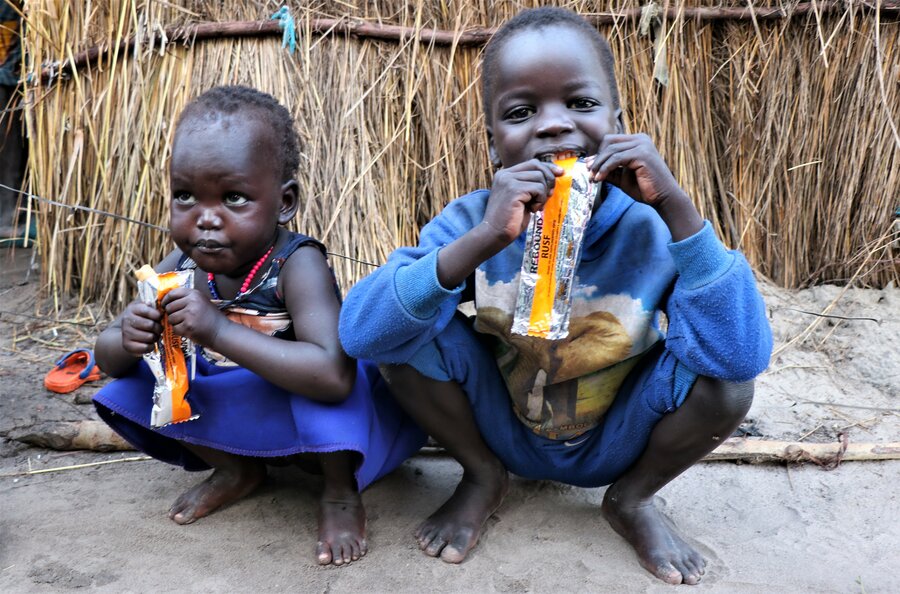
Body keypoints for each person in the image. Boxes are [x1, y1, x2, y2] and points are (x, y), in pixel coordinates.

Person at [339, 7, 772, 585]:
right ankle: (483, 476)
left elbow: (741, 357)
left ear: (619, 124)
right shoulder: (473, 221)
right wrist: (483, 239)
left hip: (617, 442)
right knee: (408, 332)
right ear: (495, 146)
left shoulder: (654, 231)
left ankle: (634, 501)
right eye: (521, 113)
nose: (552, 125)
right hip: (501, 430)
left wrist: (678, 208)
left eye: (581, 104)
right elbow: (361, 334)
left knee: (726, 384)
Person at [93, 85, 425, 566]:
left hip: (312, 409)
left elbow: (333, 376)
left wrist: (217, 331)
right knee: (144, 378)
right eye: (185, 196)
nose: (206, 219)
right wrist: (129, 339)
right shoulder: (183, 265)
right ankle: (236, 470)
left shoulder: (296, 264)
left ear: (285, 202)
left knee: (335, 382)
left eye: (233, 197)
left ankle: (338, 493)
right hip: (251, 403)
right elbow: (106, 358)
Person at [0, 0, 27, 243]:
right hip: (6, 79)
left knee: (11, 153)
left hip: (10, 79)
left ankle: (9, 218)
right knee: (8, 154)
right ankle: (7, 220)